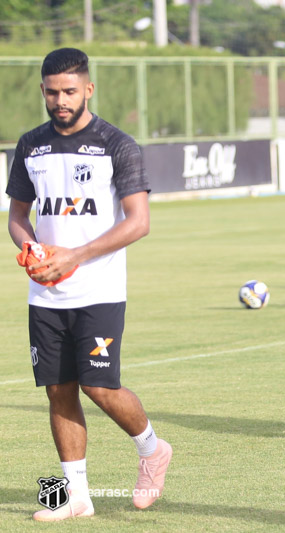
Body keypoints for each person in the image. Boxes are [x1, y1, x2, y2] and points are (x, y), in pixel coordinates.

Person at [6, 48, 172, 521]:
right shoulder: (30, 145)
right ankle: (76, 496)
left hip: (99, 289)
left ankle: (152, 449)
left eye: (70, 91)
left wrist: (74, 256)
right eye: (52, 92)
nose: (61, 100)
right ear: (42, 91)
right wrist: (31, 248)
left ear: (88, 89)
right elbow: (18, 216)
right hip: (45, 294)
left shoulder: (117, 144)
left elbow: (138, 222)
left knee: (100, 387)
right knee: (58, 390)